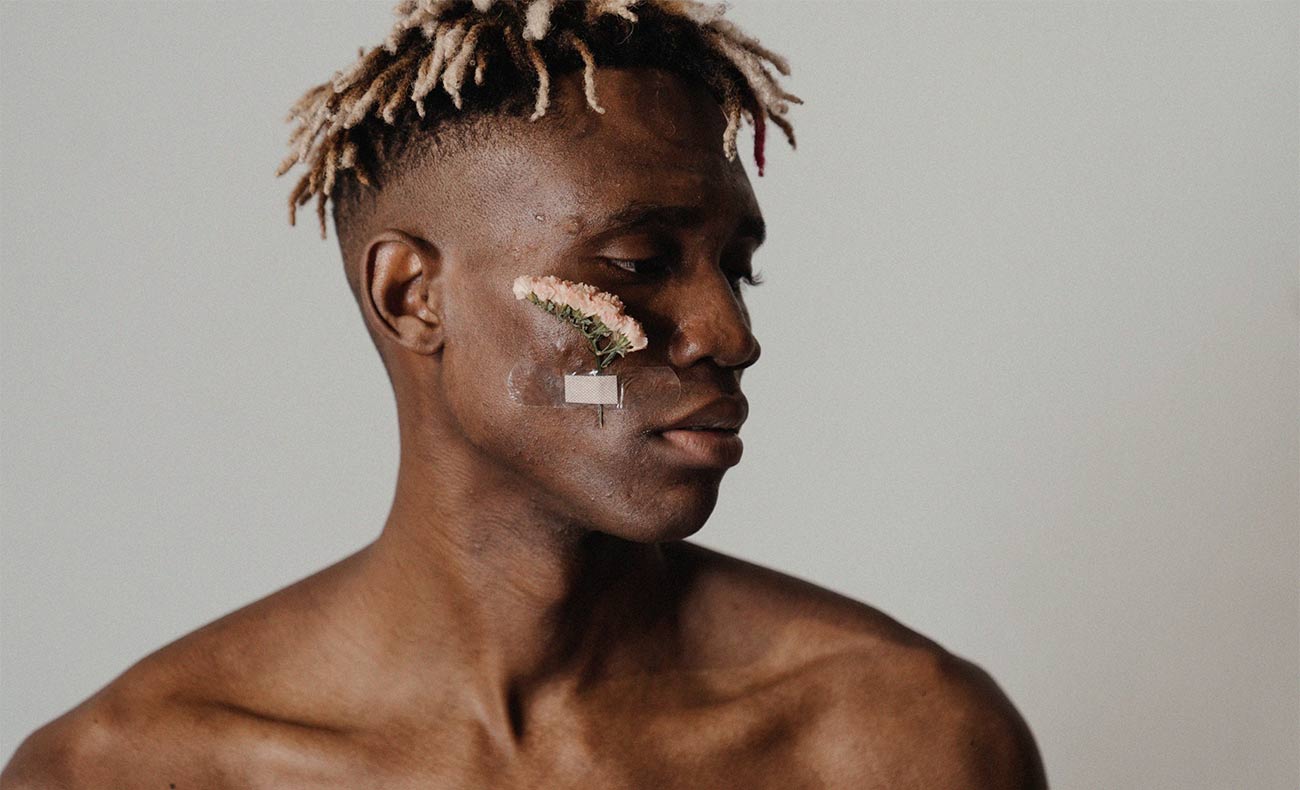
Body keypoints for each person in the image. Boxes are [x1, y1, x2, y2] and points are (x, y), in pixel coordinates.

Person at [2, 1, 1047, 786]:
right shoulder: (128, 769)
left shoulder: (895, 740)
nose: (731, 335)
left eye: (737, 267)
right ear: (413, 297)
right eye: (637, 263)